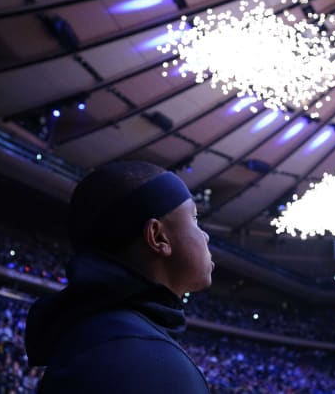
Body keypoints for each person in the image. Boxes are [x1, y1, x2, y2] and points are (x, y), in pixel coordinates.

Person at [26, 161, 214, 393]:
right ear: (157, 237)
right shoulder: (150, 362)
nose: (204, 235)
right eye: (194, 219)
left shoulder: (97, 335)